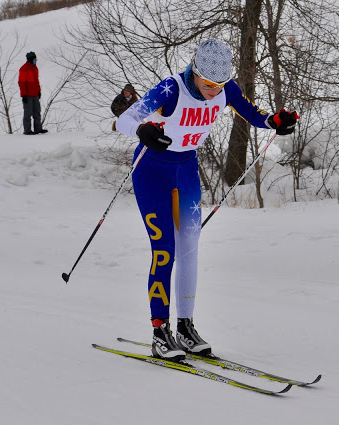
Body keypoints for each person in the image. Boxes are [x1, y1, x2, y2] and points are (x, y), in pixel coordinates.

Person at [116, 39, 298, 361]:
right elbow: (125, 119)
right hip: (152, 172)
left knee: (189, 249)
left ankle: (185, 328)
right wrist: (142, 131)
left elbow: (256, 116)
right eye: (208, 84)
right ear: (194, 72)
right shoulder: (171, 90)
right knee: (164, 252)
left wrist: (276, 121)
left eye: (220, 85)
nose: (214, 91)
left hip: (186, 170)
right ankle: (160, 331)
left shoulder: (226, 89)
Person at [18, 51, 47, 135]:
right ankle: (27, 131)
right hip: (28, 95)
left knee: (37, 112)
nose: (36, 60)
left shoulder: (35, 68)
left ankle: (38, 129)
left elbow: (36, 81)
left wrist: (39, 91)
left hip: (35, 94)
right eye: (35, 59)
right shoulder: (24, 68)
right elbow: (21, 83)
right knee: (28, 113)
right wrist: (24, 95)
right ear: (31, 59)